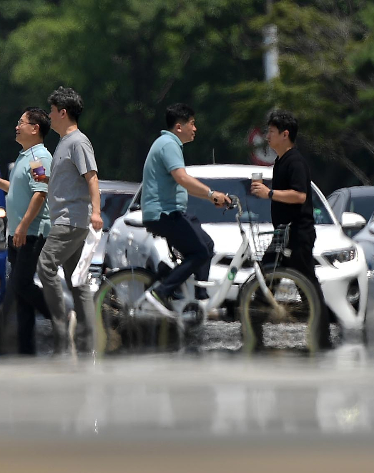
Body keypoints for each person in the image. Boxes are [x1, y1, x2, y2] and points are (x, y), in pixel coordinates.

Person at [250, 110, 330, 348]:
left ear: (285, 134)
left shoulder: (295, 161)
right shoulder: (281, 161)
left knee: (307, 284)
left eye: (271, 132)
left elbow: (299, 195)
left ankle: (321, 338)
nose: (267, 136)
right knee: (265, 280)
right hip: (282, 234)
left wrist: (270, 193)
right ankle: (253, 333)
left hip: (297, 234)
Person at [141, 103, 231, 315]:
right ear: (179, 127)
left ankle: (199, 297)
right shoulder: (168, 144)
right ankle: (160, 292)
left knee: (206, 245)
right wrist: (211, 194)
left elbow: (185, 184)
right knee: (198, 252)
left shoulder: (170, 144)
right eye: (192, 123)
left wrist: (211, 197)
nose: (195, 128)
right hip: (163, 214)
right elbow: (182, 178)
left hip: (172, 212)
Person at [35, 86, 102, 354]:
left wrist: (96, 212)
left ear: (63, 112)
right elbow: (68, 182)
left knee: (45, 266)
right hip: (67, 219)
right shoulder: (63, 143)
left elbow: (92, 177)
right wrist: (46, 180)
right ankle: (88, 340)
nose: (49, 117)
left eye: (52, 112)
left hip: (71, 221)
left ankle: (62, 327)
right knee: (78, 279)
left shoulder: (78, 142)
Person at [0, 107, 53, 355]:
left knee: (21, 284)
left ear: (35, 129)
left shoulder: (39, 158)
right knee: (22, 296)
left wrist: (22, 227)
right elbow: (20, 190)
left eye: (21, 122)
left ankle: (61, 317)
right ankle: (26, 348)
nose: (16, 126)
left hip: (31, 232)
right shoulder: (25, 156)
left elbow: (40, 193)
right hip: (18, 233)